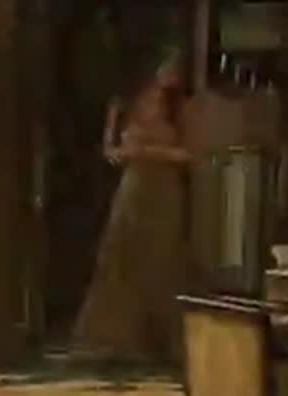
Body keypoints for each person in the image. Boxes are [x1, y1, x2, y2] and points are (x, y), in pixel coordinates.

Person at [72, 47, 192, 364]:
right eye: (170, 64)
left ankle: (163, 341)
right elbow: (111, 152)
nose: (174, 72)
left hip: (165, 189)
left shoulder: (178, 108)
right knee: (121, 257)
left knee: (164, 258)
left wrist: (146, 151)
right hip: (135, 186)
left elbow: (189, 155)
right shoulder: (123, 105)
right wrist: (130, 153)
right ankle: (116, 341)